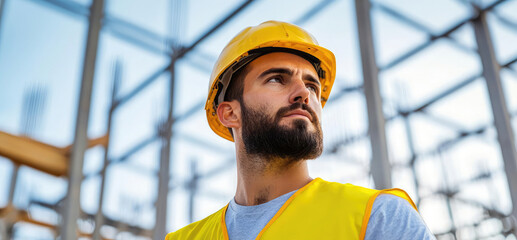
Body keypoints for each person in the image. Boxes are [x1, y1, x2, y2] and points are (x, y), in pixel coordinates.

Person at [165, 20, 435, 240]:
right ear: (230, 113)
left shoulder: (377, 217)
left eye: (312, 86)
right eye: (276, 79)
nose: (303, 94)